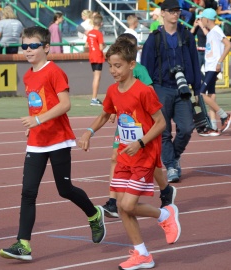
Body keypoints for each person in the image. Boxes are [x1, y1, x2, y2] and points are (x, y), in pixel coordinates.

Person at [0, 26, 106, 261]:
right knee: (28, 192)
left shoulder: (54, 72)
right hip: (37, 141)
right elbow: (36, 104)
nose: (28, 50)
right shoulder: (27, 75)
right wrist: (33, 126)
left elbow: (65, 104)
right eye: (24, 45)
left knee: (64, 189)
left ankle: (94, 214)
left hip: (58, 140)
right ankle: (23, 244)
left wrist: (38, 119)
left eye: (33, 46)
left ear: (46, 47)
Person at [79, 38, 181, 270]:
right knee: (123, 208)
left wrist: (142, 142)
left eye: (118, 66)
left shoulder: (144, 91)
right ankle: (142, 254)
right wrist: (88, 132)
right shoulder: (113, 91)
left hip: (144, 155)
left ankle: (166, 216)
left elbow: (161, 123)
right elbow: (106, 114)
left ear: (131, 65)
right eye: (110, 66)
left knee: (127, 205)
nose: (113, 71)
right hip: (125, 155)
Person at [101, 33, 177, 219]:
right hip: (126, 123)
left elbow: (149, 92)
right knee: (115, 157)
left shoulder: (140, 71)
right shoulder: (116, 77)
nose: (114, 69)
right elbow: (117, 97)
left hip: (142, 125)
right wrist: (113, 110)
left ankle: (165, 189)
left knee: (148, 162)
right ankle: (113, 201)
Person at [141, 0, 202, 183]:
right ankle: (171, 165)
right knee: (164, 131)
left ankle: (173, 157)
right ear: (163, 13)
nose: (176, 14)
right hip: (161, 88)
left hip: (182, 89)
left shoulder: (187, 36)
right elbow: (145, 67)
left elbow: (195, 63)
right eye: (172, 11)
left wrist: (197, 89)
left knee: (187, 128)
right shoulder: (155, 38)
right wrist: (148, 90)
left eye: (178, 11)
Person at [198, 8, 231, 136]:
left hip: (213, 66)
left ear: (207, 19)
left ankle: (224, 115)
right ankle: (213, 127)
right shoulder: (211, 32)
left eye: (202, 18)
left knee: (200, 94)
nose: (201, 20)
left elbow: (228, 45)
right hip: (209, 66)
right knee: (210, 95)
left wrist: (219, 62)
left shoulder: (217, 30)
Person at [86, 14, 105, 106]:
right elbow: (101, 47)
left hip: (92, 56)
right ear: (100, 23)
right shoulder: (99, 34)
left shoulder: (90, 33)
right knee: (97, 77)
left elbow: (86, 45)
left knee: (95, 77)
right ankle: (94, 98)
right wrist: (104, 45)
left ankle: (94, 97)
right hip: (98, 56)